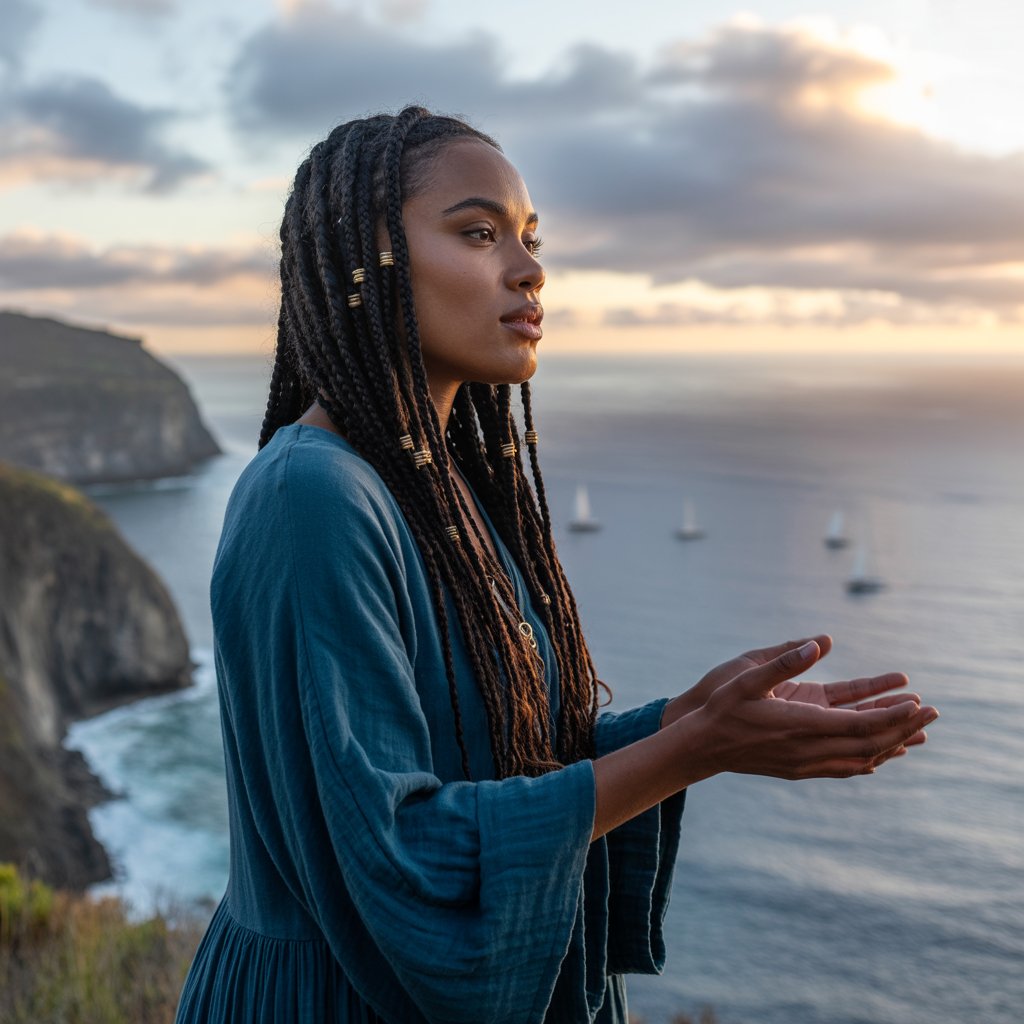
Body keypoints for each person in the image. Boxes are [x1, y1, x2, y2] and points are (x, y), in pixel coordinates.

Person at [174, 107, 937, 1024]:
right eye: (479, 233)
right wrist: (694, 748)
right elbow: (397, 848)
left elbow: (498, 762)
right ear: (362, 261)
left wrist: (688, 723)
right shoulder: (311, 495)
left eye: (530, 238)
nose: (530, 270)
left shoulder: (438, 485)